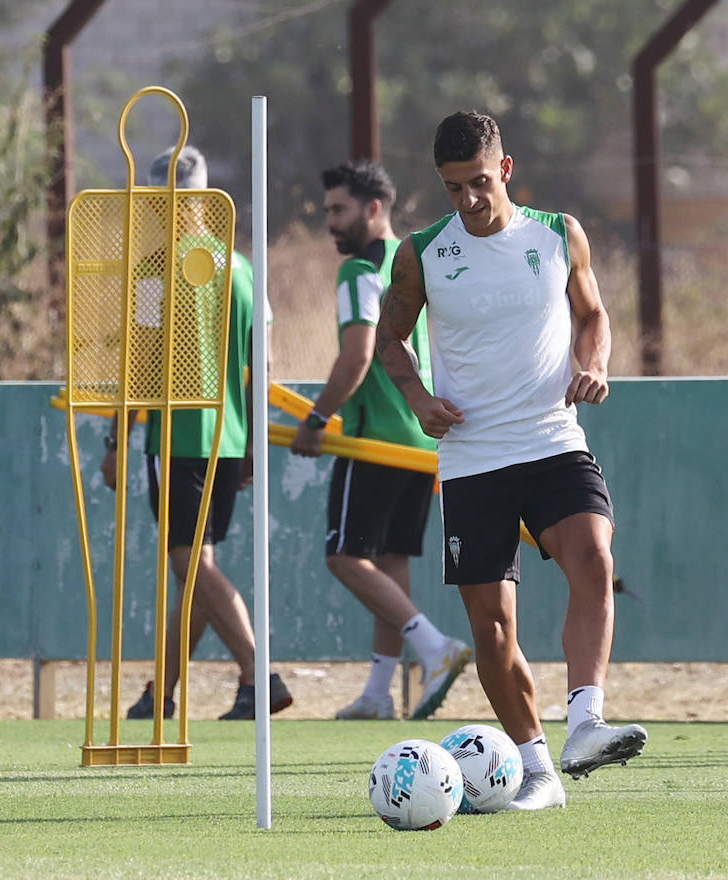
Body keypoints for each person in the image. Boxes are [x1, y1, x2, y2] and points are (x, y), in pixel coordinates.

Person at [375, 110, 647, 810]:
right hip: (472, 457)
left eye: (476, 182)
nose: (466, 199)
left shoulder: (558, 235)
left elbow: (592, 315)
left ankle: (585, 722)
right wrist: (416, 394)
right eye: (450, 188)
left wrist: (595, 365)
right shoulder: (422, 253)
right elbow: (390, 340)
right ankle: (537, 772)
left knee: (594, 561)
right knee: (493, 630)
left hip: (553, 438)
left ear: (506, 168)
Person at [102, 144, 292, 721]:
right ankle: (160, 691)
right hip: (228, 439)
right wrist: (256, 441)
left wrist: (115, 443)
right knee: (196, 571)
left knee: (192, 567)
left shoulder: (156, 271)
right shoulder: (239, 268)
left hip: (179, 437)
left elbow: (135, 365)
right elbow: (263, 365)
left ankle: (260, 674)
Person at [289, 160, 470, 721]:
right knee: (389, 563)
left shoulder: (359, 272)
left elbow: (358, 354)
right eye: (327, 212)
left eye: (339, 210)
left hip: (376, 440)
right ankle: (377, 692)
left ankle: (436, 647)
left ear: (374, 209)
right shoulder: (415, 259)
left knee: (344, 557)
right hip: (420, 438)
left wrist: (317, 421)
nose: (330, 223)